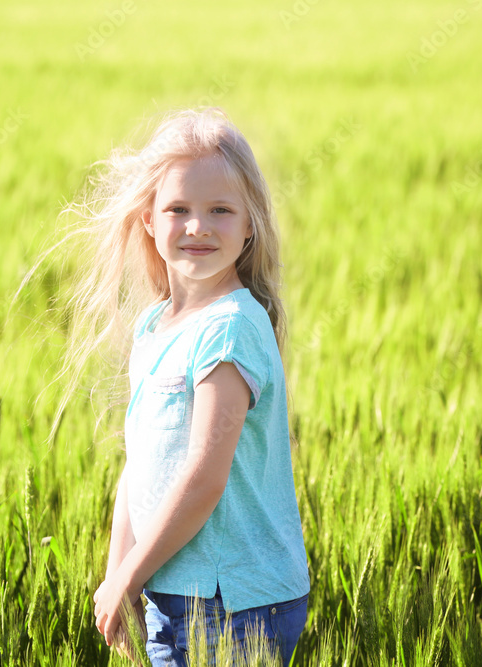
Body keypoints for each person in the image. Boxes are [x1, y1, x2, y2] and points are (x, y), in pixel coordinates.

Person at [58, 107, 310, 666]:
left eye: (220, 210)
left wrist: (131, 573)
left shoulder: (230, 329)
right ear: (148, 218)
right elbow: (139, 463)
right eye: (179, 210)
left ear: (251, 224)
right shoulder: (156, 326)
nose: (198, 226)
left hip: (234, 603)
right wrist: (117, 571)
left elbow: (203, 478)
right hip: (174, 591)